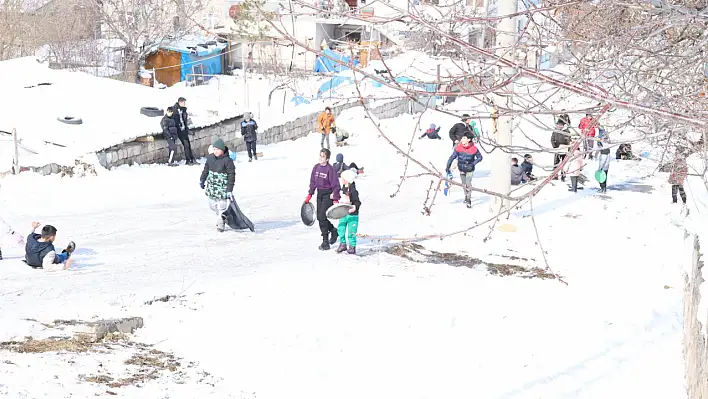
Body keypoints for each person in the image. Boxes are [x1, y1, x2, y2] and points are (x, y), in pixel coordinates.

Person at [304, 148, 341, 250]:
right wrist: (310, 195)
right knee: (320, 218)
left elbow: (336, 185)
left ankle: (325, 241)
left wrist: (335, 198)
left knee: (322, 216)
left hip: (328, 195)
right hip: (319, 194)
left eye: (323, 156)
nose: (321, 158)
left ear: (327, 158)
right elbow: (313, 182)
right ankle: (333, 231)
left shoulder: (330, 169)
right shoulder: (316, 168)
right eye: (320, 156)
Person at [200, 139, 236, 232]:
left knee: (222, 205)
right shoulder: (210, 158)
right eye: (214, 149)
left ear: (222, 150)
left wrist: (229, 189)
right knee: (212, 205)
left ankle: (221, 221)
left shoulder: (228, 161)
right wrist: (202, 179)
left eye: (217, 149)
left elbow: (231, 176)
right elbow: (206, 170)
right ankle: (220, 215)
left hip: (222, 187)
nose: (215, 151)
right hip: (212, 187)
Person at [445, 135, 483, 208]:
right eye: (462, 138)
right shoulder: (458, 148)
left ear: (468, 140)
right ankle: (466, 196)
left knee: (468, 183)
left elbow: (480, 157)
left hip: (469, 170)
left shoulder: (474, 149)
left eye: (464, 138)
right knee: (464, 184)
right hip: (461, 169)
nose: (462, 140)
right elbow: (452, 157)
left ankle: (468, 200)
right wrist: (448, 166)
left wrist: (473, 164)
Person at [335, 169, 361, 255]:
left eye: (342, 178)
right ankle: (343, 244)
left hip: (353, 215)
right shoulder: (343, 189)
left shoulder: (353, 191)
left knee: (351, 232)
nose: (341, 179)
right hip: (344, 214)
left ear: (347, 179)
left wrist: (354, 207)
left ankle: (352, 247)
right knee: (340, 229)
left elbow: (357, 202)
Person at [172, 97, 196, 165]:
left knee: (188, 145)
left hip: (184, 129)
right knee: (186, 144)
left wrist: (187, 129)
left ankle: (192, 159)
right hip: (179, 130)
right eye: (183, 102)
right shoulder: (175, 109)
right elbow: (174, 119)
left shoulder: (184, 110)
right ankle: (188, 160)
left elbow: (184, 120)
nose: (184, 103)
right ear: (180, 102)